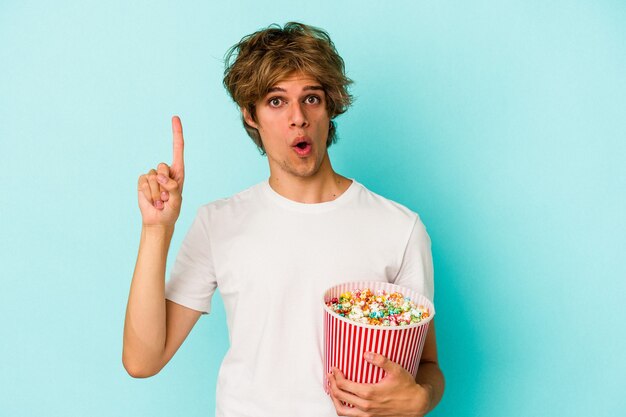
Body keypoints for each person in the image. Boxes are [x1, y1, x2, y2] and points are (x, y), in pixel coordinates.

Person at [123, 22, 444, 417]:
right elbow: (142, 361)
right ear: (250, 115)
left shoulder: (400, 228)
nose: (298, 118)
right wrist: (157, 230)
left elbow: (427, 367)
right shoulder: (218, 223)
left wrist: (422, 398)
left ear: (330, 108)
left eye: (311, 98)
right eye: (276, 101)